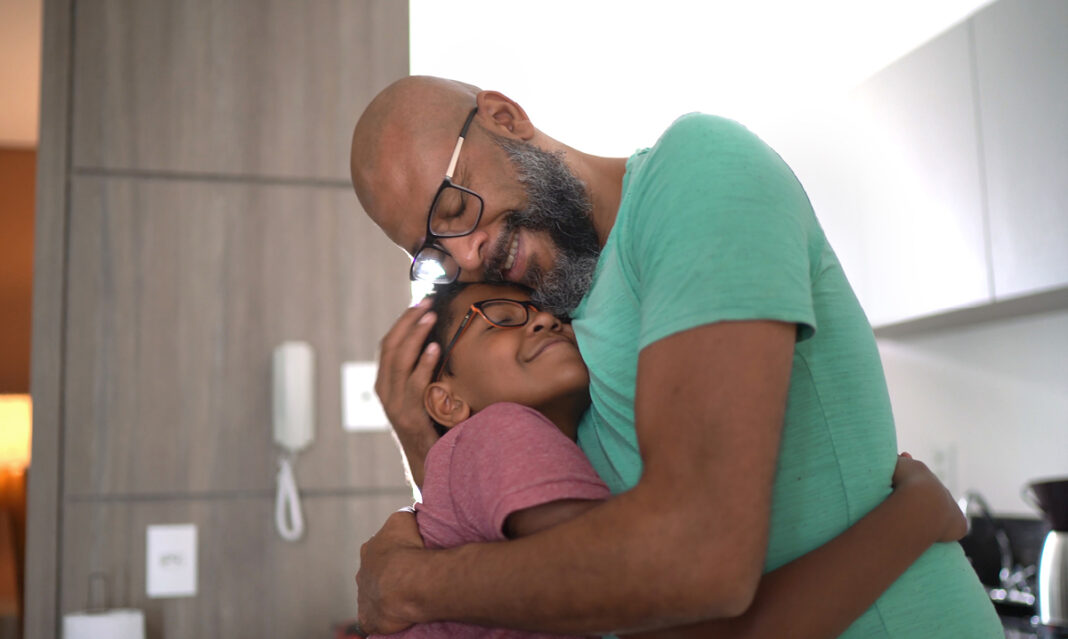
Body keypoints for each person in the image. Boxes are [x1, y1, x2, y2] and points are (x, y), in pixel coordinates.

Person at [349, 76, 1002, 637]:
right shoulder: (553, 332)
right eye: (433, 253)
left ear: (504, 118)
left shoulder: (696, 175)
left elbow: (699, 556)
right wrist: (425, 441)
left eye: (456, 207)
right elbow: (559, 560)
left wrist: (414, 582)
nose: (465, 256)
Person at [371, 280, 969, 639]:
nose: (546, 317)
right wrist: (916, 513)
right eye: (500, 316)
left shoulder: (496, 456)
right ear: (446, 399)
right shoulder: (502, 431)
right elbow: (664, 608)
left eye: (546, 308)